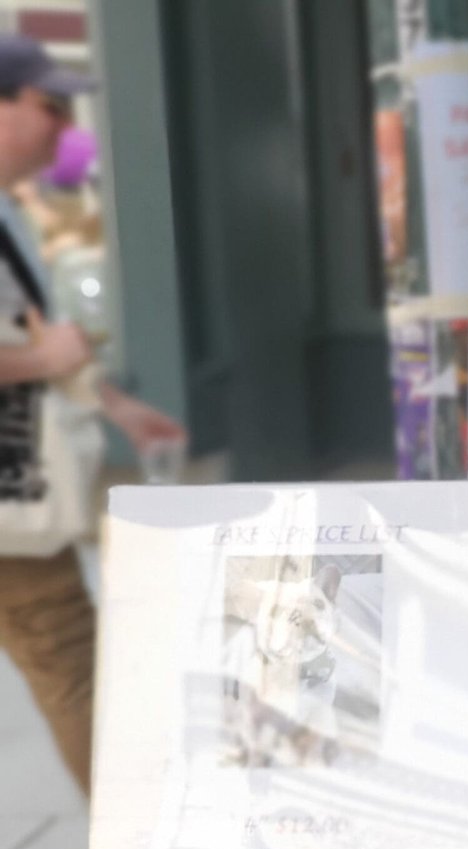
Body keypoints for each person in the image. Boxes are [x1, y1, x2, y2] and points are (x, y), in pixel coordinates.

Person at [0, 35, 185, 796]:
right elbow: (38, 351)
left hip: (20, 493)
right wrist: (42, 361)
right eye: (49, 106)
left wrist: (114, 405)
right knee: (74, 664)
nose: (64, 128)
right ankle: (135, 837)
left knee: (75, 657)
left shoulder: (12, 214)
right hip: (12, 508)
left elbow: (36, 339)